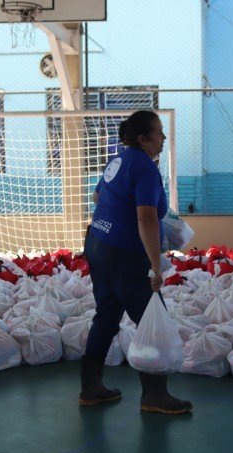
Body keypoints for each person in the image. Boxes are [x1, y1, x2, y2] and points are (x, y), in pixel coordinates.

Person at [81, 110, 192, 415]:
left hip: (98, 243)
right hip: (125, 256)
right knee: (153, 321)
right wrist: (156, 266)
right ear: (143, 138)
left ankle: (90, 389)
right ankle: (154, 396)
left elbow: (96, 196)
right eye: (158, 133)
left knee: (106, 315)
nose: (163, 138)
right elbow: (145, 217)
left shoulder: (118, 159)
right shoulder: (144, 166)